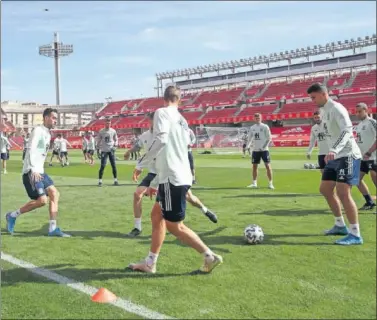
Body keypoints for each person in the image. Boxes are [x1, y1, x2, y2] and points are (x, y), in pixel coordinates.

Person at [129, 86, 222, 273]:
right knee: (156, 216)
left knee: (174, 225)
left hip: (173, 177)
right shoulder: (182, 120)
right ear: (180, 100)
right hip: (176, 175)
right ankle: (150, 263)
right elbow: (184, 145)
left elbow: (162, 140)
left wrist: (141, 163)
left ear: (163, 98)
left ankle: (209, 256)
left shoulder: (162, 113)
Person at [129, 113, 217, 237]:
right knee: (137, 194)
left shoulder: (166, 135)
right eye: (153, 120)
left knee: (189, 197)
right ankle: (137, 227)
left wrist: (153, 184)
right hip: (154, 172)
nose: (155, 123)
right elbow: (142, 150)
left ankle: (205, 210)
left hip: (167, 172)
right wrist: (131, 154)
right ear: (149, 121)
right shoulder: (145, 136)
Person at [307, 83, 362, 245]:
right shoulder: (324, 111)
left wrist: (334, 149)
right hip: (334, 156)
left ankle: (355, 234)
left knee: (343, 192)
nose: (312, 101)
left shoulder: (337, 108)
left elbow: (347, 130)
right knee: (324, 189)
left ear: (324, 94)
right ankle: (340, 225)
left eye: (314, 97)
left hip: (348, 155)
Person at [5, 108, 70, 237]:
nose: (55, 120)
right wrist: (33, 168)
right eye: (53, 117)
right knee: (42, 201)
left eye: (56, 118)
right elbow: (30, 149)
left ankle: (52, 229)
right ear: (46, 117)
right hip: (32, 171)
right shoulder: (38, 130)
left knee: (54, 194)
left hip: (40, 171)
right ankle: (12, 216)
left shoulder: (47, 133)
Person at [354, 102, 377, 211]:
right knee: (356, 179)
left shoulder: (372, 122)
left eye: (360, 111)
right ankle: (369, 202)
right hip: (362, 158)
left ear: (366, 110)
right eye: (356, 112)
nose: (357, 114)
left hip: (373, 156)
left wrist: (369, 152)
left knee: (375, 178)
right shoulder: (358, 126)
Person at [246, 113, 274, 189]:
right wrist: (247, 146)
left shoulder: (265, 126)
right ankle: (254, 183)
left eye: (258, 118)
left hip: (264, 150)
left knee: (267, 166)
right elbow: (250, 138)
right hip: (255, 150)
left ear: (261, 118)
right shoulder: (252, 128)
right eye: (256, 118)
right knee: (254, 166)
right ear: (254, 119)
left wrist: (264, 147)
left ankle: (270, 183)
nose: (257, 119)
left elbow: (269, 138)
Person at [96, 118, 119, 187]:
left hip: (111, 150)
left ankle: (115, 180)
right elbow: (98, 140)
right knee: (102, 166)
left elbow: (116, 139)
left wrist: (116, 144)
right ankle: (100, 181)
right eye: (107, 123)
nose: (108, 124)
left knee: (113, 165)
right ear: (104, 123)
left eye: (109, 123)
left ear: (110, 123)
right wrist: (97, 148)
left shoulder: (113, 131)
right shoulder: (101, 131)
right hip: (104, 150)